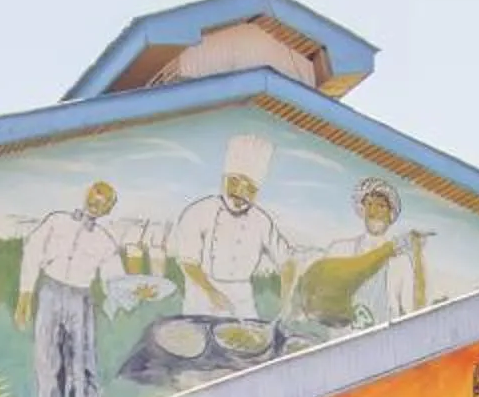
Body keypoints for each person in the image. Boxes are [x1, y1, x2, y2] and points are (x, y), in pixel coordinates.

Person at [13, 180, 124, 397]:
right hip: (50, 292)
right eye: (94, 197)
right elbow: (32, 253)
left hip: (80, 299)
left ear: (108, 209)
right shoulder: (56, 221)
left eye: (103, 202)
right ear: (86, 195)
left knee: (82, 366)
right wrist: (25, 296)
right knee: (47, 362)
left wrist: (129, 295)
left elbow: (114, 281)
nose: (96, 204)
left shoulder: (106, 241)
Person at [167, 133, 294, 320]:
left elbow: (287, 262)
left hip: (242, 301)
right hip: (201, 298)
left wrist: (286, 301)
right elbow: (188, 262)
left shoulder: (261, 221)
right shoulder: (198, 212)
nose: (240, 193)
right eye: (234, 182)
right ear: (223, 180)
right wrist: (211, 292)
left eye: (249, 188)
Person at [290, 176, 429, 325]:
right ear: (362, 210)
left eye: (380, 206)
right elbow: (317, 293)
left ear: (391, 214)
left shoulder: (400, 263)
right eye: (368, 204)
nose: (373, 211)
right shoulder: (339, 249)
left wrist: (418, 255)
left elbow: (414, 311)